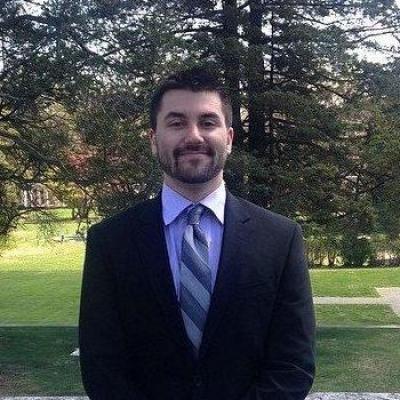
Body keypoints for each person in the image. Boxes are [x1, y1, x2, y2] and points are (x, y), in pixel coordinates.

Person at [79, 67, 316, 400]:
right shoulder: (109, 242)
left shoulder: (281, 239)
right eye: (177, 123)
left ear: (229, 138)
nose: (194, 136)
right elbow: (102, 366)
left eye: (207, 122)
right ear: (153, 139)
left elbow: (293, 365)